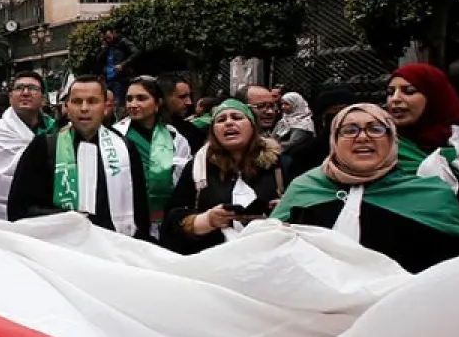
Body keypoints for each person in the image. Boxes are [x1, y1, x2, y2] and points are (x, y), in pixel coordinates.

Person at [272, 103, 459, 273]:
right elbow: (270, 252)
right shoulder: (305, 189)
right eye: (350, 130)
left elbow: (458, 269)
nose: (362, 137)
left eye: (375, 129)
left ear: (392, 140)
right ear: (334, 141)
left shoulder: (429, 195)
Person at [7, 77, 149, 238]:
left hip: (114, 245)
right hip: (61, 246)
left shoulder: (125, 148)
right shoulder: (44, 146)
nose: (84, 108)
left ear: (105, 107)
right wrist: (66, 218)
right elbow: (19, 209)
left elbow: (140, 212)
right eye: (77, 101)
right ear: (66, 106)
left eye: (92, 101)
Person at [160, 99, 284, 254]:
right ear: (213, 131)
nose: (229, 123)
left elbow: (306, 210)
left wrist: (283, 210)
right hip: (215, 259)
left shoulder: (278, 164)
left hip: (271, 256)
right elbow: (173, 220)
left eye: (237, 117)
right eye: (221, 120)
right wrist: (207, 221)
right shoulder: (198, 167)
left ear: (252, 126)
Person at [386, 64, 459, 211]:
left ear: (435, 97)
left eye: (409, 91)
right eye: (390, 92)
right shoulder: (381, 149)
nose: (395, 99)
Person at [114, 76, 193, 235]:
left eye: (141, 98)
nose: (133, 104)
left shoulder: (174, 137)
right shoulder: (114, 136)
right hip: (127, 216)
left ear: (157, 103)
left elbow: (185, 180)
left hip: (167, 218)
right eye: (129, 99)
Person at [0, 70, 54, 220]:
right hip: (9, 215)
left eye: (32, 88)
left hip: (46, 209)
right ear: (11, 98)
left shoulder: (54, 131)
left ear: (43, 99)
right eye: (19, 88)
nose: (25, 93)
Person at [284, 83, 356, 183]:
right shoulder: (304, 155)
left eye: (345, 112)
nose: (340, 122)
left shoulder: (366, 149)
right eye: (334, 115)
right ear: (322, 119)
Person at [272, 92, 315, 164]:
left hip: (294, 159)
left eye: (286, 104)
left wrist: (272, 148)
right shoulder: (284, 120)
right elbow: (273, 137)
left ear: (296, 105)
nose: (283, 107)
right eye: (282, 104)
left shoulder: (304, 124)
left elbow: (292, 143)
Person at [101, 27, 137, 105]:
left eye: (109, 37)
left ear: (113, 32)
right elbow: (100, 61)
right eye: (105, 38)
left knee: (119, 104)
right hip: (109, 79)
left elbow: (135, 53)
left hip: (121, 78)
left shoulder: (123, 41)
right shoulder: (107, 46)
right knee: (109, 104)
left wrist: (122, 65)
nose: (108, 40)